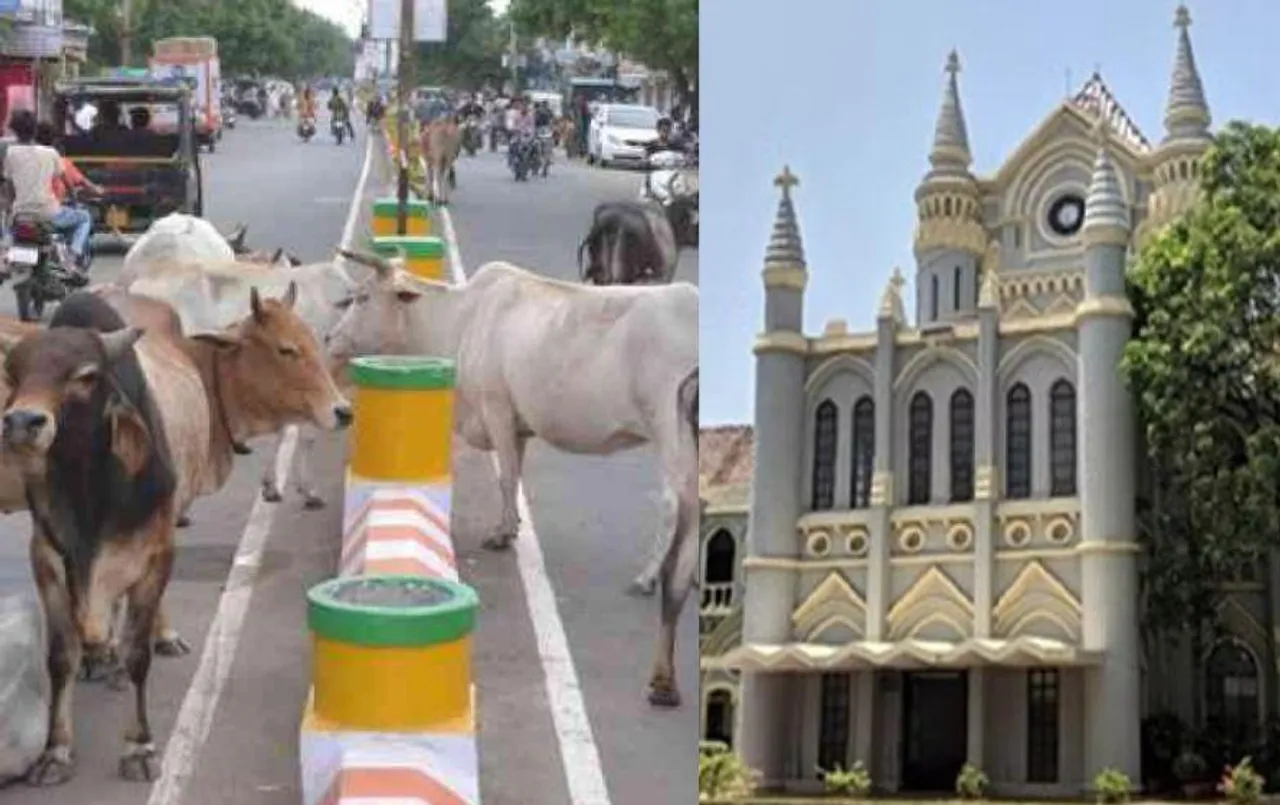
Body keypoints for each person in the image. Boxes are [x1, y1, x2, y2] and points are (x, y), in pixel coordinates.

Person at [3, 111, 93, 271]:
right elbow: (69, 184)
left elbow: (9, 188)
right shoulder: (51, 153)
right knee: (84, 217)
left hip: (21, 214)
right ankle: (73, 255)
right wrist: (75, 201)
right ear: (34, 130)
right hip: (49, 214)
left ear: (14, 130)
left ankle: (7, 259)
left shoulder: (10, 153)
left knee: (8, 230)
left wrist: (11, 210)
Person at [35, 121, 105, 207]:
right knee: (83, 213)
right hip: (54, 207)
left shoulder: (29, 160)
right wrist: (96, 189)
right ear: (55, 141)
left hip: (32, 207)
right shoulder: (62, 162)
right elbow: (81, 181)